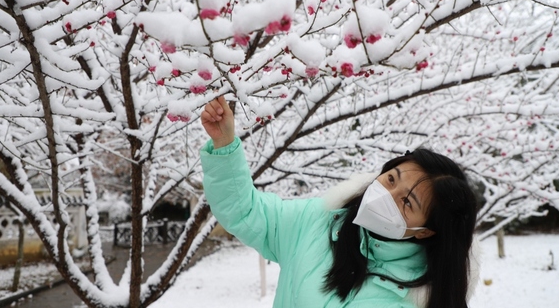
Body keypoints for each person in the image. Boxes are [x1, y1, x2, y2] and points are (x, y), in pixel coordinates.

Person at [200, 96, 479, 308]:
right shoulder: (317, 222)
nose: (387, 196)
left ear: (427, 230)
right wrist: (225, 144)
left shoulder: (423, 298)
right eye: (391, 180)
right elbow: (246, 212)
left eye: (407, 202)